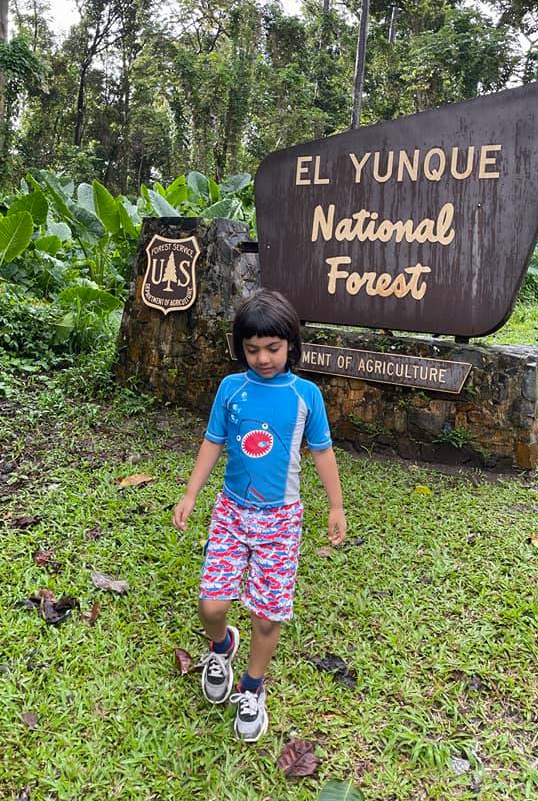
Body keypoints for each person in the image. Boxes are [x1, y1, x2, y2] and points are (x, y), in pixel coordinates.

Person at [172, 288, 347, 742]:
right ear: (241, 348)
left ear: (291, 344)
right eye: (252, 349)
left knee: (266, 617)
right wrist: (191, 493)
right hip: (231, 513)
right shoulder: (232, 389)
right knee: (211, 605)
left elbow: (322, 451)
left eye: (273, 348)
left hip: (281, 521)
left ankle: (252, 686)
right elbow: (213, 441)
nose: (263, 358)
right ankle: (221, 645)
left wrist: (336, 505)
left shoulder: (305, 395)